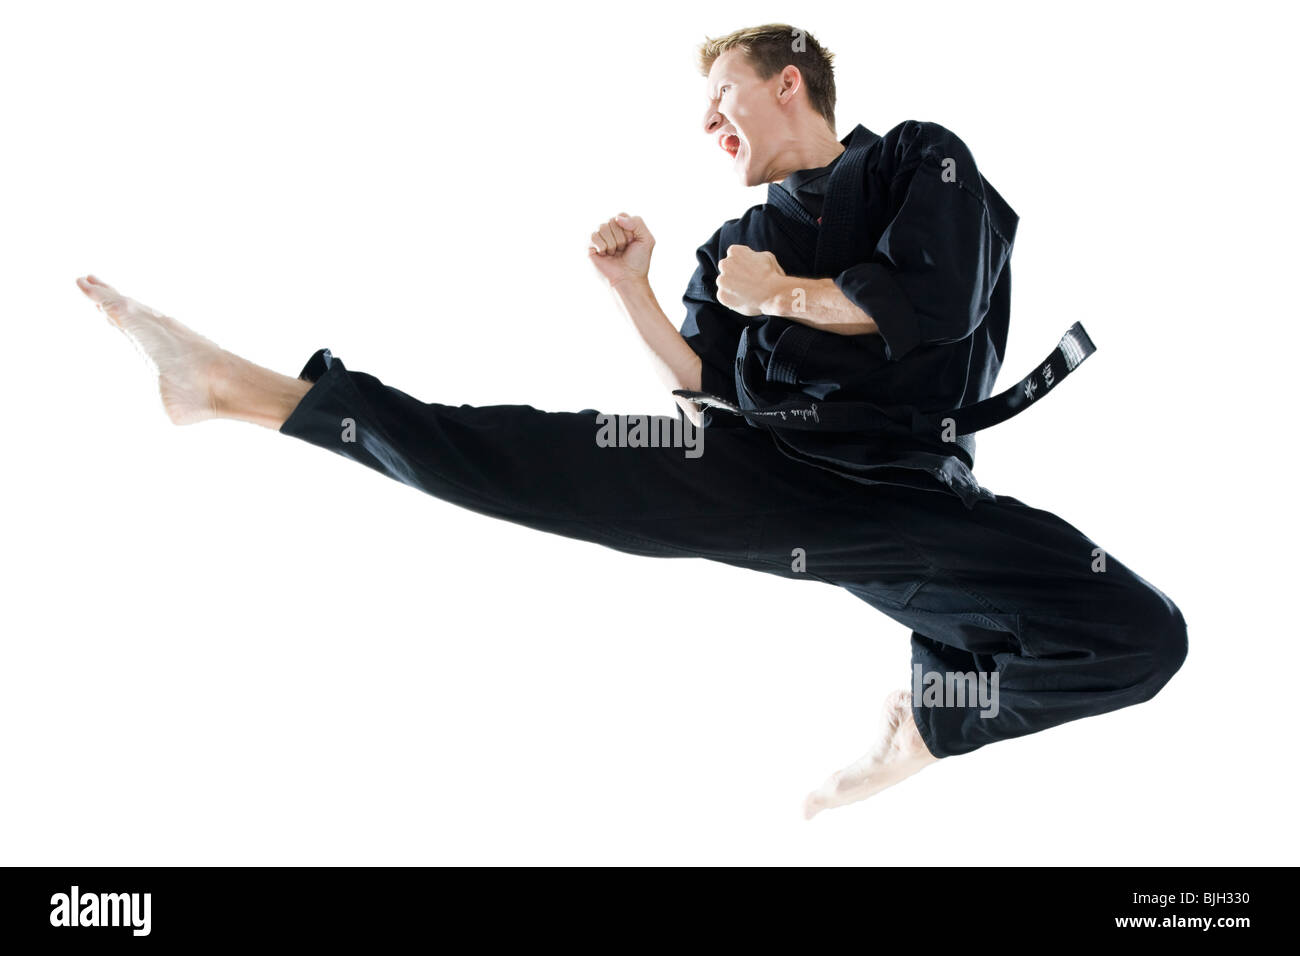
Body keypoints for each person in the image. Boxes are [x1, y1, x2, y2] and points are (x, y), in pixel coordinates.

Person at [74, 23, 1187, 818]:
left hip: (916, 498)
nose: (708, 122)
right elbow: (703, 385)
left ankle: (935, 714)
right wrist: (637, 294)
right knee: (548, 452)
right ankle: (248, 392)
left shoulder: (916, 160)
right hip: (770, 475)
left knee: (1142, 634)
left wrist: (787, 296)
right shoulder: (728, 246)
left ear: (790, 81)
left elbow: (934, 307)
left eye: (723, 97)